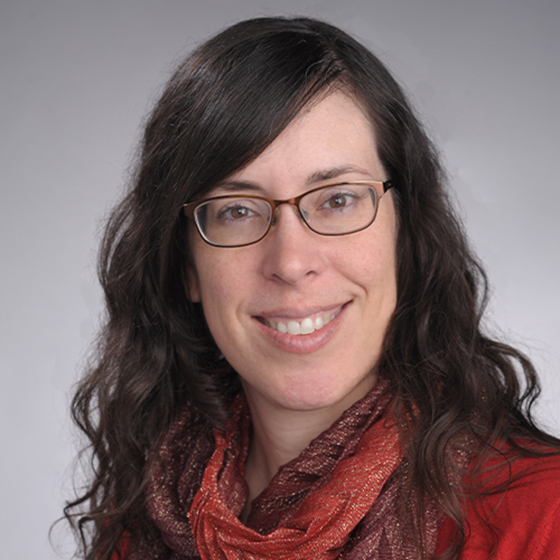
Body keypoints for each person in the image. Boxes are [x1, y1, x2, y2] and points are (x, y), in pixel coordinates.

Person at [64, 16, 560, 560]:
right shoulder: (145, 518)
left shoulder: (541, 518)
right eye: (237, 211)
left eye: (337, 199)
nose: (292, 262)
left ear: (405, 232)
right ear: (186, 265)